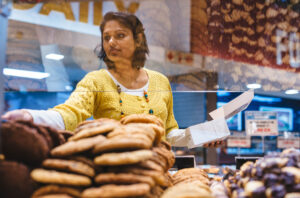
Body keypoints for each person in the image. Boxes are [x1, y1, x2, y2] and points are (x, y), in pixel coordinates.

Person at [2, 12, 223, 147]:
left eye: (119, 35)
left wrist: (203, 134)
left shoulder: (160, 82)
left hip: (155, 172)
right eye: (106, 37)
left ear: (138, 40)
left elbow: (169, 133)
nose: (111, 43)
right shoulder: (96, 81)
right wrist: (30, 116)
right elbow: (70, 114)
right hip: (113, 172)